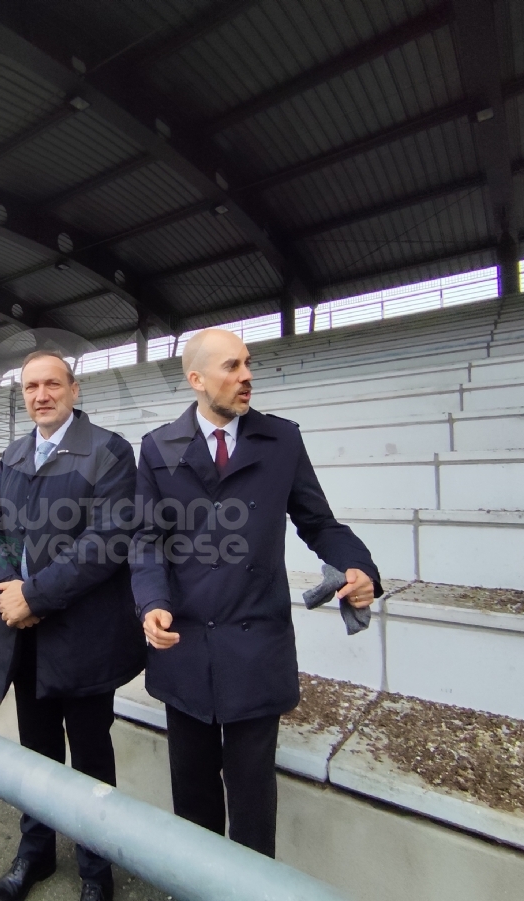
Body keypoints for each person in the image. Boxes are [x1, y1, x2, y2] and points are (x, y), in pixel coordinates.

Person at [130, 328, 381, 857]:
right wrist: (152, 603)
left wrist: (357, 566)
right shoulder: (157, 448)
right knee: (193, 809)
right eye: (231, 366)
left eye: (247, 363)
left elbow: (320, 523)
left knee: (252, 810)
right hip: (185, 650)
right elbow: (147, 540)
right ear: (196, 379)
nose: (246, 376)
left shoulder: (282, 439)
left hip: (255, 650)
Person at [0, 349, 145, 901]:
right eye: (30, 387)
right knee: (36, 752)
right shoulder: (14, 455)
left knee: (91, 757)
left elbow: (107, 543)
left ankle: (97, 872)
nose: (40, 395)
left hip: (84, 640)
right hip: (25, 636)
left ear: (74, 390)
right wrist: (4, 591)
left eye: (52, 384)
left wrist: (35, 596)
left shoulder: (109, 452)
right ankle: (36, 854)